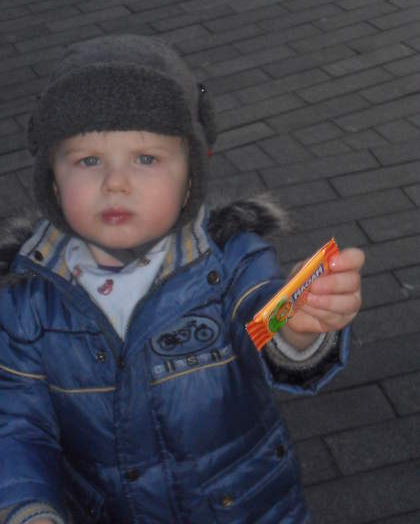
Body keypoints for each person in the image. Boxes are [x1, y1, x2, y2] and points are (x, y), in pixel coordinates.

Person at [0, 34, 364, 524]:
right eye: (88, 160)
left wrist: (297, 329)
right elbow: (17, 427)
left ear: (191, 177)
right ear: (52, 180)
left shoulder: (231, 259)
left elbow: (261, 322)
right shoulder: (27, 299)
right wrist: (27, 510)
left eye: (146, 159)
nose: (115, 182)